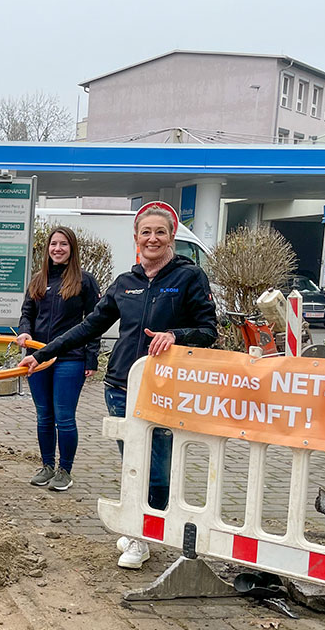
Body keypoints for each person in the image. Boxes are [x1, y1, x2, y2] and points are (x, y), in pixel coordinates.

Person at [19, 202, 217, 568]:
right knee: (133, 466)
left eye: (160, 232)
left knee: (156, 468)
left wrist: (176, 335)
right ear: (137, 239)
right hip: (121, 387)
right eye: (146, 232)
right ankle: (141, 527)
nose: (153, 238)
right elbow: (88, 327)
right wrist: (44, 353)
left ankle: (143, 537)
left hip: (165, 388)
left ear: (171, 237)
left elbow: (209, 332)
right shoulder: (125, 284)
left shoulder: (188, 278)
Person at [16, 226, 100, 493]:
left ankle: (65, 470)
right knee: (44, 416)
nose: (58, 249)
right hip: (38, 357)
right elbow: (27, 313)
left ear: (72, 249)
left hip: (70, 358)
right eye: (54, 244)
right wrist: (25, 331)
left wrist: (91, 358)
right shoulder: (38, 280)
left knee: (64, 417)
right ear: (47, 249)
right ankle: (47, 466)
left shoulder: (84, 281)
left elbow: (95, 322)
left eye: (64, 244)